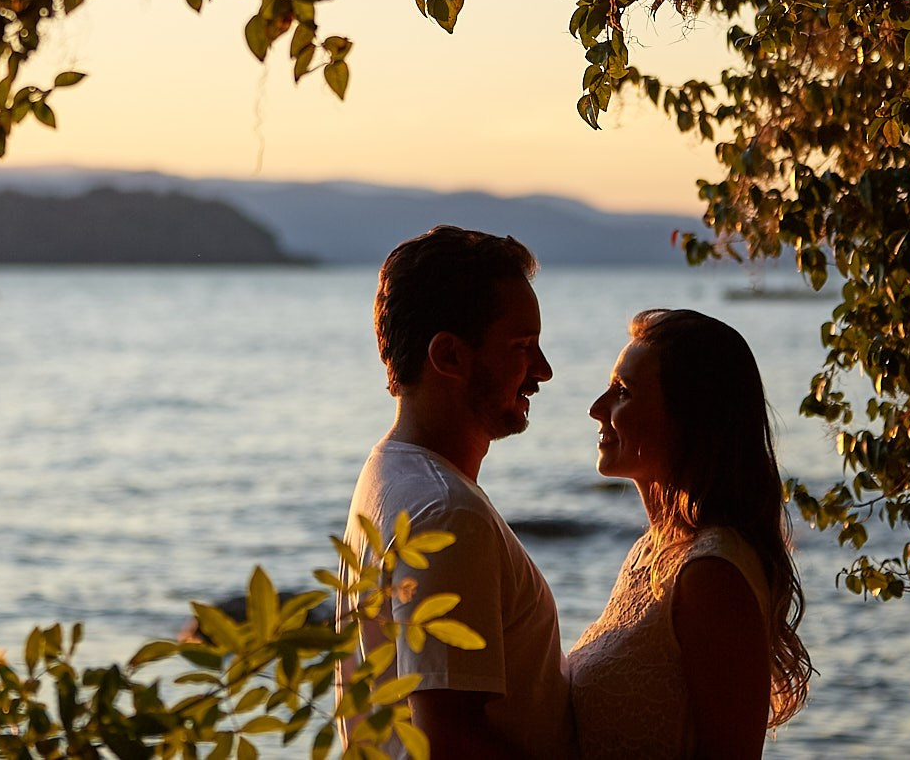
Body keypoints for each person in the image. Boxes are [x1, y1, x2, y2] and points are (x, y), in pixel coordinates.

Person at [343, 226, 574, 760]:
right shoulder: (447, 513)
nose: (543, 371)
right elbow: (449, 744)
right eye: (522, 347)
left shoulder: (387, 474)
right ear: (448, 355)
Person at [567, 309, 814, 759]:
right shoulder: (652, 550)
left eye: (622, 392)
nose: (596, 408)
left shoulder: (712, 573)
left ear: (689, 419)